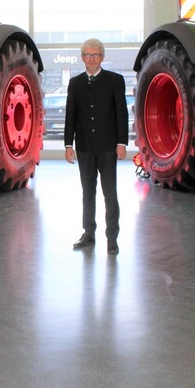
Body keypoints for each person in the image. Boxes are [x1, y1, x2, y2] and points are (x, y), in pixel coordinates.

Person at [64, 38, 128, 254]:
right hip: (84, 147)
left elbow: (121, 114)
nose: (92, 59)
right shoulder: (75, 83)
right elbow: (71, 116)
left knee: (110, 193)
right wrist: (68, 144)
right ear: (82, 57)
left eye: (96, 55)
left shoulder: (115, 80)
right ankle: (88, 233)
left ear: (102, 57)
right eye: (88, 55)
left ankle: (112, 237)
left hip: (108, 146)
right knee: (88, 192)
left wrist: (121, 143)